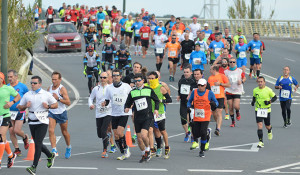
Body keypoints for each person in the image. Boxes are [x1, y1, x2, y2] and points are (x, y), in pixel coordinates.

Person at [18, 76, 57, 174]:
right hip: (32, 121)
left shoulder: (46, 94)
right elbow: (20, 108)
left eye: (34, 83)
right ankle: (50, 155)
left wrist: (48, 106)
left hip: (42, 121)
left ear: (40, 84)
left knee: (38, 144)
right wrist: (25, 106)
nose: (32, 84)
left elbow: (55, 104)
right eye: (31, 83)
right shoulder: (27, 95)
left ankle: (34, 166)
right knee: (37, 143)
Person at [124, 73, 160, 163]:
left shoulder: (148, 90)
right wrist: (126, 108)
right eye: (135, 81)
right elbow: (128, 102)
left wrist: (156, 109)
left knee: (144, 135)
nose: (137, 82)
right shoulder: (132, 92)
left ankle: (148, 150)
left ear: (143, 80)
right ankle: (144, 153)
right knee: (139, 139)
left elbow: (156, 100)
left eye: (139, 80)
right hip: (137, 117)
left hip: (147, 116)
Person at [102, 70, 132, 160]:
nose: (115, 77)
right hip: (114, 113)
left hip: (124, 112)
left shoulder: (126, 86)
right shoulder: (109, 88)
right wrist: (104, 103)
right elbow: (107, 100)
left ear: (120, 76)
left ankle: (126, 148)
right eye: (113, 75)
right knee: (116, 135)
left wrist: (130, 105)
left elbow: (132, 97)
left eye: (117, 75)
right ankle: (122, 152)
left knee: (120, 132)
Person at [187, 78, 218, 157]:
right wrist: (188, 106)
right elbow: (189, 101)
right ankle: (207, 133)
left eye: (202, 85)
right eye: (199, 85)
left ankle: (201, 150)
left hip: (206, 116)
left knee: (203, 133)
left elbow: (216, 102)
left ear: (205, 86)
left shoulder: (209, 93)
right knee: (196, 134)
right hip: (197, 116)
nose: (200, 87)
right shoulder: (194, 92)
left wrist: (214, 104)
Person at [148, 71, 172, 159]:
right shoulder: (147, 87)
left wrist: (162, 101)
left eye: (152, 78)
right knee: (154, 130)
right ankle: (158, 148)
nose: (150, 80)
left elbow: (169, 100)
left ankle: (167, 147)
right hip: (150, 112)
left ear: (156, 78)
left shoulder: (161, 88)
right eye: (149, 78)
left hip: (160, 112)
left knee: (162, 131)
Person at [47, 72, 71, 158]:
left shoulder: (62, 89)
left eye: (55, 79)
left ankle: (68, 147)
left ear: (60, 80)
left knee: (64, 132)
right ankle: (54, 149)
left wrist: (59, 98)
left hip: (61, 113)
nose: (53, 81)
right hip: (52, 112)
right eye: (52, 79)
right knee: (51, 130)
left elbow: (68, 102)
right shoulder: (49, 88)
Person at [89, 72, 112, 158]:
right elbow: (91, 98)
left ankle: (105, 151)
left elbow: (113, 100)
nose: (102, 79)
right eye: (101, 77)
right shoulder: (96, 89)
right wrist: (90, 105)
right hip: (98, 113)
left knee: (103, 130)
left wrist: (107, 104)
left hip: (108, 112)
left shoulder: (110, 88)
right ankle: (107, 136)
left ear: (108, 78)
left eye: (104, 77)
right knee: (100, 134)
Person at [0, 72, 20, 169]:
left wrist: (12, 102)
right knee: (3, 138)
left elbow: (18, 96)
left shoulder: (7, 88)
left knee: (0, 136)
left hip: (5, 115)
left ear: (2, 79)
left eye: (0, 78)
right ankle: (11, 156)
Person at [7, 70, 29, 157]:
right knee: (11, 131)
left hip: (20, 111)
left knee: (17, 130)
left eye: (11, 77)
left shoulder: (22, 86)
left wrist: (25, 105)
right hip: (10, 112)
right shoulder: (7, 87)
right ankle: (17, 149)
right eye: (8, 77)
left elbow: (28, 96)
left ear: (16, 77)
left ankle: (25, 137)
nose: (9, 79)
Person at [251, 76, 277, 148]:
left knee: (267, 126)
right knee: (259, 125)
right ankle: (261, 141)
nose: (260, 83)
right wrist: (253, 102)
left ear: (264, 82)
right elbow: (254, 97)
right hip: (258, 109)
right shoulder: (255, 90)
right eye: (258, 82)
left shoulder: (268, 90)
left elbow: (275, 97)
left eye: (261, 82)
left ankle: (270, 130)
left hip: (266, 110)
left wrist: (269, 102)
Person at [207, 66, 230, 136]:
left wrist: (220, 84)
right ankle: (217, 124)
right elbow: (208, 88)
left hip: (220, 97)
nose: (209, 70)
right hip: (212, 98)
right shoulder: (210, 78)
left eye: (210, 69)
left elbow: (228, 85)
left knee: (219, 112)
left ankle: (218, 128)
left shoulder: (222, 76)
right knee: (214, 113)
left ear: (214, 70)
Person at [224, 58, 246, 127]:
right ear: (228, 63)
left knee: (236, 106)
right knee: (230, 107)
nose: (232, 63)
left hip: (237, 90)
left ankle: (237, 111)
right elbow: (223, 80)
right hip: (229, 90)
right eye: (231, 62)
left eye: (233, 62)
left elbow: (244, 78)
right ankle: (233, 122)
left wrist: (242, 81)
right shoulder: (226, 72)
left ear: (235, 63)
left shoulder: (239, 71)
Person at [177, 67, 196, 142]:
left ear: (191, 73)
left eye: (187, 72)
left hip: (191, 103)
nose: (185, 73)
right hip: (183, 102)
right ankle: (187, 132)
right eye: (184, 72)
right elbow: (179, 89)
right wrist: (179, 95)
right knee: (183, 120)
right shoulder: (181, 80)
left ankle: (193, 136)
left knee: (191, 121)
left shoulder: (193, 81)